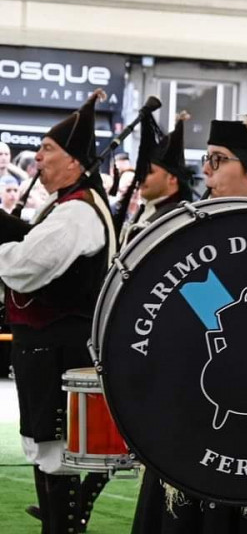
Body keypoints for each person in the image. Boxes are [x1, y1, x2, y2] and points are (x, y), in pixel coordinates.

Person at [131, 114, 247, 534]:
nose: (206, 171)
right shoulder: (190, 234)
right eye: (207, 158)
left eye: (219, 159)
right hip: (188, 420)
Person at [0, 89, 117, 534]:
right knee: (49, 453)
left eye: (48, 151)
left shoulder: (77, 214)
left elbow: (26, 267)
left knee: (57, 455)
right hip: (48, 351)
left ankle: (64, 527)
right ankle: (59, 523)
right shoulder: (69, 208)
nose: (38, 161)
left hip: (59, 353)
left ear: (75, 163)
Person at [120, 112, 194, 246]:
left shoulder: (176, 219)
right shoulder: (144, 209)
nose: (141, 178)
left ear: (172, 178)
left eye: (149, 172)